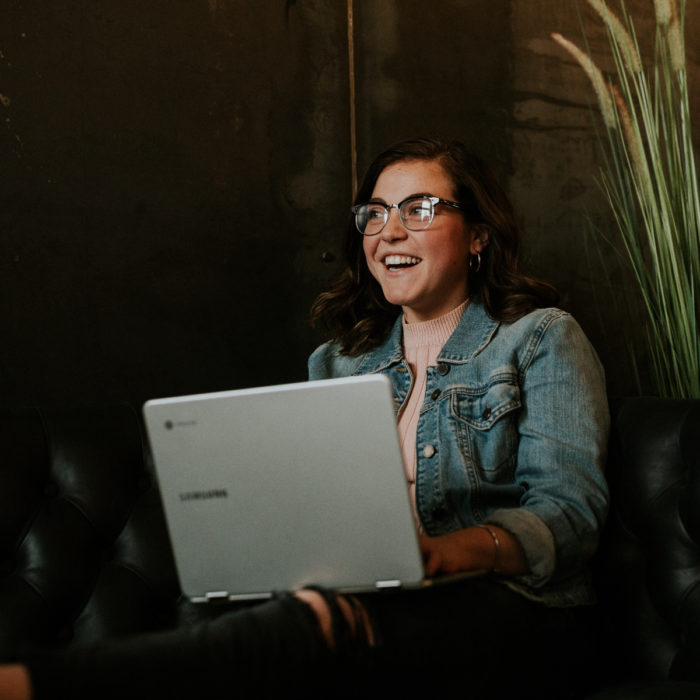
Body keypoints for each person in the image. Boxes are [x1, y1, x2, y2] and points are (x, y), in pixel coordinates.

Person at [0, 137, 610, 700]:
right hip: (371, 602)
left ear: (478, 235)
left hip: (520, 611)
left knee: (311, 634)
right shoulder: (339, 362)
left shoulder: (540, 338)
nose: (389, 232)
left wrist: (447, 554)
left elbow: (570, 514)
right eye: (374, 213)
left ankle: (38, 685)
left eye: (419, 209)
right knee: (244, 619)